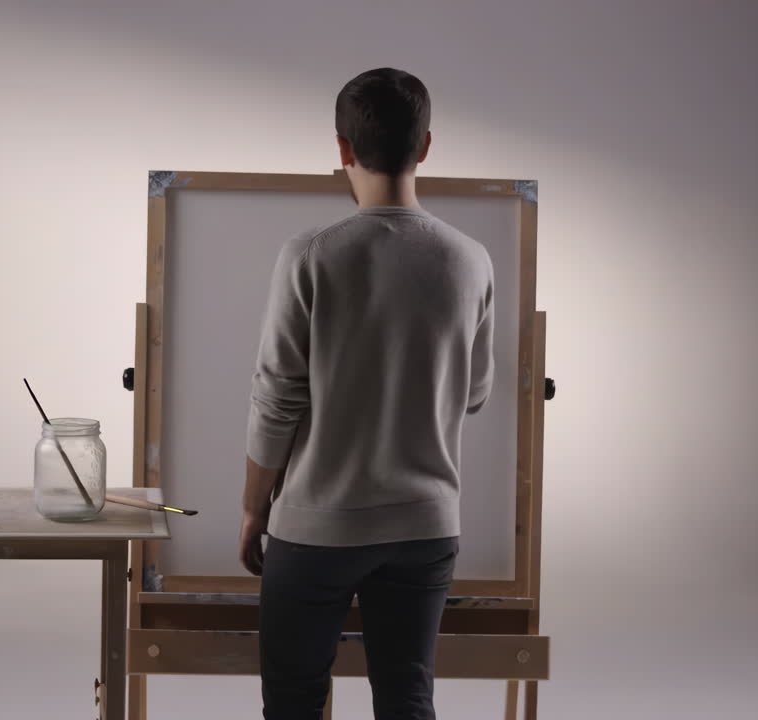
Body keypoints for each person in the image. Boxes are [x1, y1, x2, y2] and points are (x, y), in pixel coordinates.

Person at [238, 67, 496, 720]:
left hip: (315, 527)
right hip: (425, 524)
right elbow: (474, 394)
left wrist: (252, 509)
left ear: (342, 149)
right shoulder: (470, 260)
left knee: (294, 702)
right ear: (427, 145)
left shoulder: (311, 255)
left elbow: (277, 398)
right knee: (407, 698)